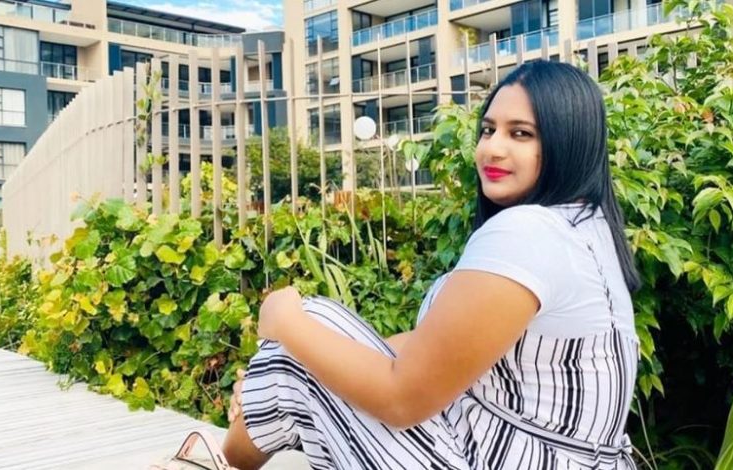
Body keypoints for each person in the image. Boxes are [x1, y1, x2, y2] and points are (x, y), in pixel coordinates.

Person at [222, 60, 641, 470]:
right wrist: (307, 353)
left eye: (521, 133)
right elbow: (436, 348)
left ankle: (230, 456)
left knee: (307, 326)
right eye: (488, 130)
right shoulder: (586, 227)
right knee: (313, 347)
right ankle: (254, 412)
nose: (492, 148)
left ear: (568, 143)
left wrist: (283, 322)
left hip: (513, 456)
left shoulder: (530, 232)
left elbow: (401, 400)